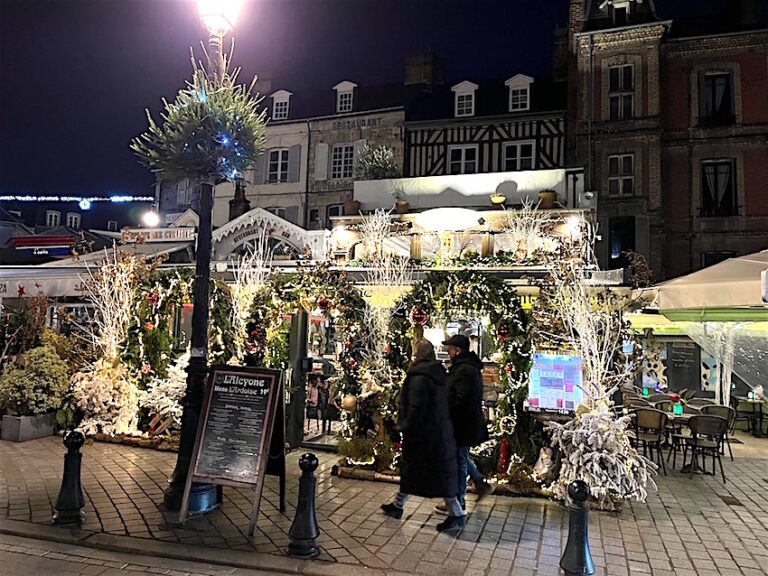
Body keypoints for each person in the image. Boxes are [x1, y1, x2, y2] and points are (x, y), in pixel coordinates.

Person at [380, 338, 467, 533]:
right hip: (436, 433)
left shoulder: (419, 375)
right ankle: (398, 505)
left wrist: (403, 426)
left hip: (423, 434)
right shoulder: (438, 373)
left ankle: (457, 514)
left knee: (432, 475)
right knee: (415, 471)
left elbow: (416, 406)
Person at [437, 334, 492, 514]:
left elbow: (460, 399)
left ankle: (458, 502)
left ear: (457, 350)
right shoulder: (464, 367)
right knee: (459, 458)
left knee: (458, 462)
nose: (448, 352)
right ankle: (478, 482)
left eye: (450, 349)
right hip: (462, 423)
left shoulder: (464, 370)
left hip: (460, 424)